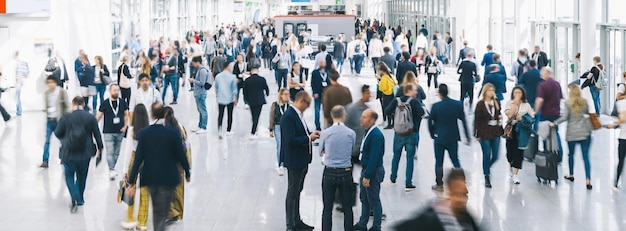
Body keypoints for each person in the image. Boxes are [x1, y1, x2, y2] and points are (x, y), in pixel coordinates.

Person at [127, 103, 190, 231]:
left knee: (156, 208)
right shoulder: (172, 132)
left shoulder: (144, 133)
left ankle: (159, 227)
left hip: (150, 178)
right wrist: (187, 172)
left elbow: (138, 158)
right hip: (168, 178)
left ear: (152, 114)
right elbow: (181, 155)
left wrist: (131, 181)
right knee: (163, 208)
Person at [54, 96, 104, 213]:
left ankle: (73, 195)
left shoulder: (66, 117)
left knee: (69, 175)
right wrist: (100, 149)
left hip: (69, 153)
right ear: (83, 104)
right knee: (82, 176)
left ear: (73, 104)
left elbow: (57, 133)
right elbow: (97, 135)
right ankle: (80, 198)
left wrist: (66, 138)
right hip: (85, 153)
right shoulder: (90, 117)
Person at [394, 168, 480, 231]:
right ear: (449, 192)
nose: (461, 200)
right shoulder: (430, 219)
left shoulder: (466, 217)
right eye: (456, 194)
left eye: (464, 194)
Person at [282, 91, 320, 231]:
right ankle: (290, 224)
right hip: (294, 160)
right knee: (292, 192)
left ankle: (297, 221)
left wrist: (311, 134)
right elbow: (290, 140)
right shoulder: (289, 116)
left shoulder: (298, 115)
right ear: (302, 101)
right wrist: (309, 138)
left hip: (302, 160)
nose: (308, 107)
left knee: (298, 190)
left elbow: (302, 132)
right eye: (308, 104)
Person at [320, 105, 356, 231]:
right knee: (347, 207)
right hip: (346, 172)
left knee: (327, 208)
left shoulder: (325, 133)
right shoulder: (351, 133)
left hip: (329, 171)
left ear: (332, 116)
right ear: (343, 115)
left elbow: (321, 151)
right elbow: (351, 150)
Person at [550, 85, 593, 189]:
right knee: (586, 157)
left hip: (572, 134)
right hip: (585, 133)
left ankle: (571, 174)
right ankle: (588, 180)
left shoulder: (568, 103)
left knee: (571, 155)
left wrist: (554, 123)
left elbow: (564, 117)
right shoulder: (585, 102)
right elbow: (588, 116)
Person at [428, 84, 470, 191]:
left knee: (439, 161)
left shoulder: (435, 106)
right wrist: (467, 135)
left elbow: (430, 122)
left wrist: (432, 133)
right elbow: (464, 120)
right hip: (453, 137)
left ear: (439, 94)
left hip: (439, 137)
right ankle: (462, 184)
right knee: (455, 160)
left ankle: (439, 184)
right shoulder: (457, 105)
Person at [384, 84, 425, 190]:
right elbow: (421, 113)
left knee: (396, 156)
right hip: (412, 133)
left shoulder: (396, 101)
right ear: (409, 90)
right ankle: (408, 182)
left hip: (398, 133)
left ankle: (393, 178)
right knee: (410, 158)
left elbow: (387, 111)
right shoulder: (415, 101)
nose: (416, 92)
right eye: (415, 90)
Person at [354, 109, 385, 231]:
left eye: (364, 117)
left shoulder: (376, 135)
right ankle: (363, 223)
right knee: (364, 198)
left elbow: (374, 157)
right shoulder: (368, 132)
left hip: (372, 171)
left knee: (374, 200)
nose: (361, 119)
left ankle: (376, 226)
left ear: (372, 120)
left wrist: (368, 175)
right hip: (366, 169)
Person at [121, 104, 151, 230]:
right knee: (145, 191)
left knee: (130, 188)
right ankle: (142, 222)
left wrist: (124, 170)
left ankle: (130, 217)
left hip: (134, 157)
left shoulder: (132, 129)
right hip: (147, 159)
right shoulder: (149, 129)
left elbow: (128, 150)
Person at [161, 106, 192, 222]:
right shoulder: (180, 126)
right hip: (180, 161)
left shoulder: (166, 127)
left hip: (169, 161)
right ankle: (179, 213)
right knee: (179, 188)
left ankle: (172, 212)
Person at [95, 84, 129, 180]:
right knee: (110, 151)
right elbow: (99, 116)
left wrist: (125, 126)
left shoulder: (122, 103)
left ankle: (112, 168)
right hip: (108, 132)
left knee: (117, 152)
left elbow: (126, 115)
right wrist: (92, 126)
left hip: (120, 131)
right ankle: (112, 169)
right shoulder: (105, 103)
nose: (117, 92)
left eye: (118, 90)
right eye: (114, 90)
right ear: (110, 91)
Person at [474, 83, 504, 188]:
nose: (491, 92)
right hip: (484, 131)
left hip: (496, 130)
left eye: (493, 90)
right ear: (485, 91)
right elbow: (476, 120)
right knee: (486, 154)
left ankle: (487, 168)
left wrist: (500, 117)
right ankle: (486, 175)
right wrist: (476, 133)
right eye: (489, 90)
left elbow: (498, 113)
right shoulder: (480, 104)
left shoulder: (496, 102)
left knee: (495, 155)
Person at [504, 86, 535, 184]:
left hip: (522, 131)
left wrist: (522, 118)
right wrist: (515, 104)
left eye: (519, 93)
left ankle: (516, 174)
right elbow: (509, 115)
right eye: (515, 92)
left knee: (519, 152)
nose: (517, 94)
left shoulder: (527, 105)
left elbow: (531, 117)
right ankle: (510, 164)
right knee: (510, 152)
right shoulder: (510, 103)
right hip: (512, 130)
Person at [40, 76, 71, 168]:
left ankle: (64, 158)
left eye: (51, 82)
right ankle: (45, 161)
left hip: (59, 121)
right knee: (47, 141)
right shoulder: (46, 93)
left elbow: (67, 106)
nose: (50, 84)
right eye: (48, 82)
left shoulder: (61, 92)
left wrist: (66, 119)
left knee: (63, 141)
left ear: (55, 82)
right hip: (49, 120)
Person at [534, 67, 563, 156]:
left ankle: (547, 152)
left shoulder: (542, 85)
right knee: (555, 132)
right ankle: (558, 153)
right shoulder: (557, 84)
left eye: (542, 72)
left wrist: (535, 111)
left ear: (547, 73)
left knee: (545, 133)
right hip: (556, 112)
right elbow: (561, 97)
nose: (541, 74)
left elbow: (539, 100)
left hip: (546, 113)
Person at [243, 60, 269, 139]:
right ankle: (254, 130)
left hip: (251, 100)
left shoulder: (247, 80)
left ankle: (254, 128)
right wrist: (266, 94)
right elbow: (266, 89)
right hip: (260, 100)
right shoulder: (262, 79)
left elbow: (244, 92)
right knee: (257, 115)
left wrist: (247, 100)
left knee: (253, 114)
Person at [346, 85, 371, 164]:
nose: (370, 95)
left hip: (363, 148)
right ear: (363, 94)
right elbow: (346, 126)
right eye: (368, 93)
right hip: (353, 149)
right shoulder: (352, 109)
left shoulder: (367, 109)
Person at [270, 89, 291, 176]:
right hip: (278, 126)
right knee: (280, 145)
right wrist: (271, 129)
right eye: (285, 94)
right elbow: (272, 117)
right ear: (281, 95)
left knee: (287, 144)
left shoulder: (290, 105)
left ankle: (286, 161)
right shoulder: (275, 105)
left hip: (287, 127)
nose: (287, 96)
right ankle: (280, 164)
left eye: (288, 94)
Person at [188, 56, 211, 134]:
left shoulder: (202, 71)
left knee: (203, 110)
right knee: (200, 110)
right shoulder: (199, 70)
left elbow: (202, 83)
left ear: (198, 62)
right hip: (198, 93)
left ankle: (204, 127)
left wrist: (193, 80)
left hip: (201, 93)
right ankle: (200, 125)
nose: (193, 64)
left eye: (194, 63)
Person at [215, 61, 238, 138]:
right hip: (230, 98)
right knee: (230, 114)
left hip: (220, 98)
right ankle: (228, 130)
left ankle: (220, 130)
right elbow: (234, 89)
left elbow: (216, 88)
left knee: (220, 115)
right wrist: (235, 99)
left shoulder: (218, 76)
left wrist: (217, 96)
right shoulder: (232, 77)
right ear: (228, 67)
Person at [311, 59, 330, 131]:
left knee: (327, 110)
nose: (322, 64)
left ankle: (327, 124)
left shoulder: (328, 72)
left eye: (323, 62)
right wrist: (314, 92)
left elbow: (330, 83)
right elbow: (312, 83)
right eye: (320, 62)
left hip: (326, 95)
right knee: (317, 110)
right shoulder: (315, 72)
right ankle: (317, 125)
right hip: (318, 94)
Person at [377, 62, 397, 129]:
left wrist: (379, 81)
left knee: (387, 109)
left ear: (382, 70)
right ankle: (393, 123)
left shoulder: (384, 78)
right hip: (392, 94)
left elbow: (381, 88)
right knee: (393, 109)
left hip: (386, 95)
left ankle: (389, 123)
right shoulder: (391, 76)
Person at [12, 51, 29, 117]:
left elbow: (23, 74)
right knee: (17, 97)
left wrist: (19, 79)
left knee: (17, 97)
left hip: (19, 82)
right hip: (18, 82)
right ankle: (18, 111)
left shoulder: (20, 63)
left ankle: (19, 112)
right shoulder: (19, 63)